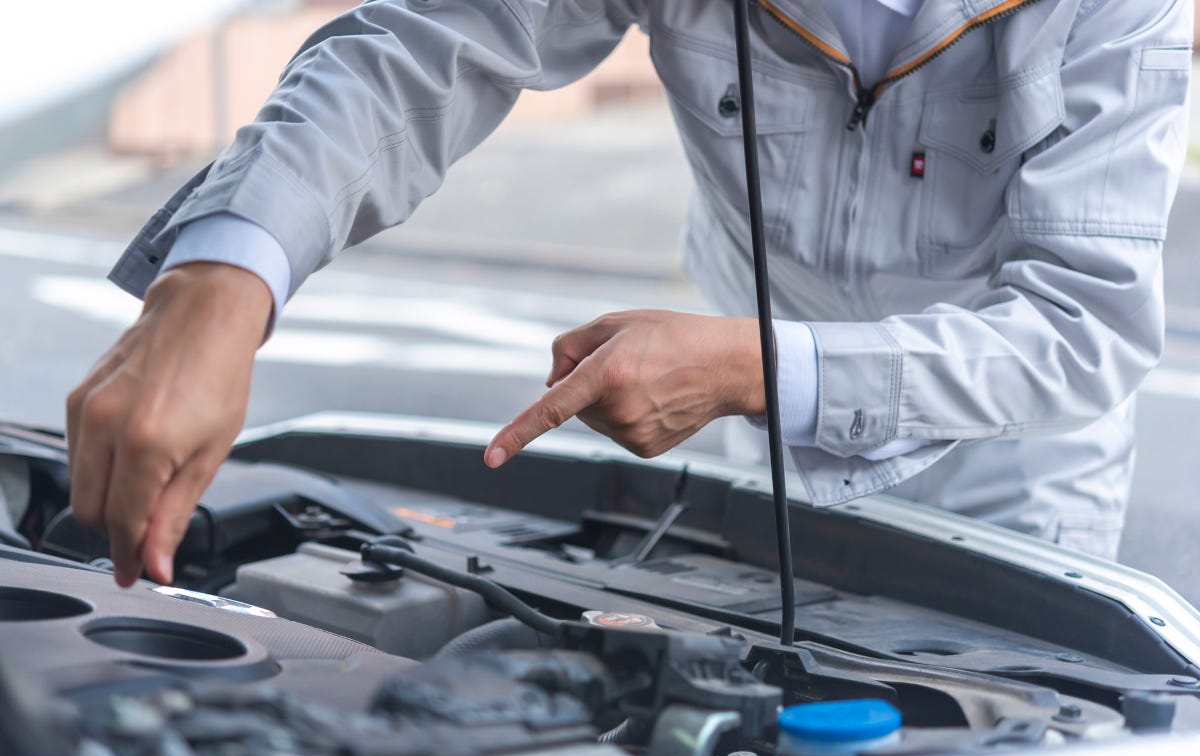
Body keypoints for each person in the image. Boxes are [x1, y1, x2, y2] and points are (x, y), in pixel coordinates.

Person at [67, 0, 1191, 587]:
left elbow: (1080, 325)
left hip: (1014, 468)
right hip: (775, 435)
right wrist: (216, 284)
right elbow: (419, 47)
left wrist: (748, 366)